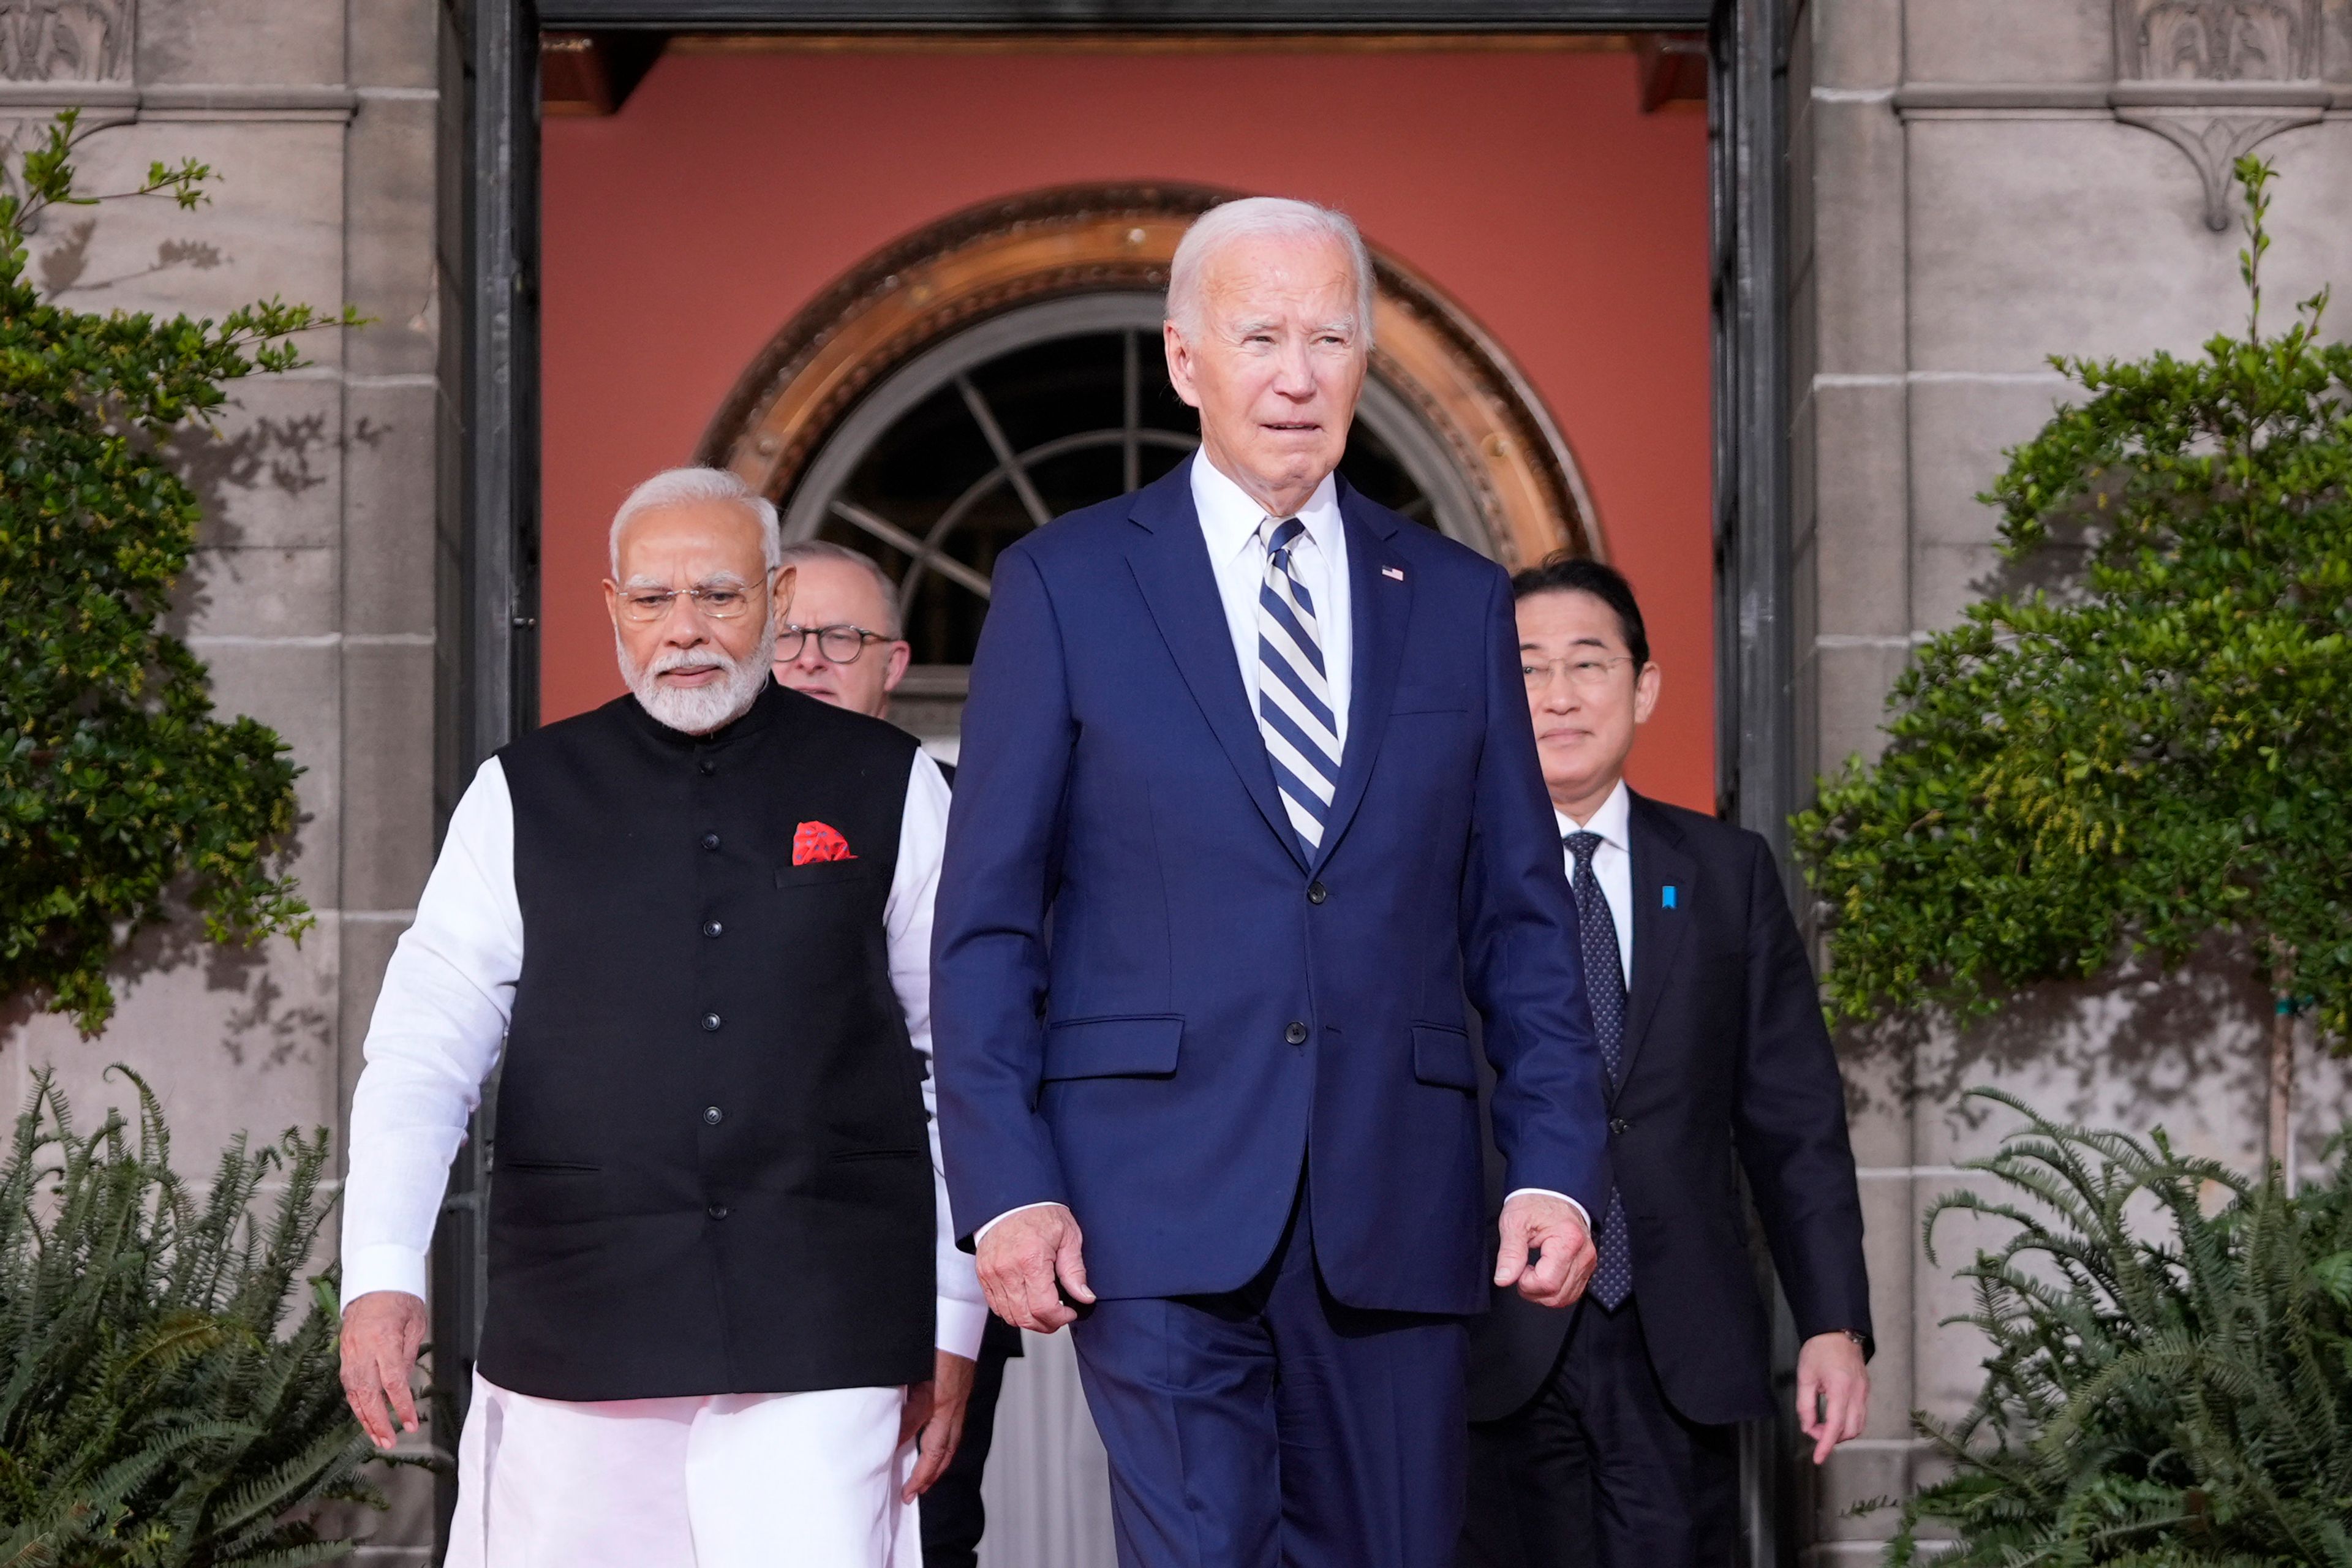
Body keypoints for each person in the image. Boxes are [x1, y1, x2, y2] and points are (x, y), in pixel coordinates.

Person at [932, 196, 1610, 1568]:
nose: (1296, 374)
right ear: (1188, 359)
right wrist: (1005, 1184)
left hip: (1401, 1198)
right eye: (1260, 336)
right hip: (1151, 1196)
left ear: (1367, 358)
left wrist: (1558, 1165)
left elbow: (1525, 922)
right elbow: (990, 920)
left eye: (1330, 336)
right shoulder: (1064, 586)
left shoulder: (1463, 599)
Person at [336, 467, 986, 1568]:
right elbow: (419, 1051)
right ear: (612, 607)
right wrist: (382, 1272)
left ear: (777, 602)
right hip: (575, 1331)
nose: (685, 631)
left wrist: (951, 1313)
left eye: (720, 597)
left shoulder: (892, 783)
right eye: (653, 600)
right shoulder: (520, 793)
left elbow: (962, 1057)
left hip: (827, 1331)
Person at [1459, 557, 1874, 1568]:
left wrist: (1833, 1321)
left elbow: (1793, 1120)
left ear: (1643, 686)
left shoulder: (1727, 876)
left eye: (1588, 664)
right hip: (1489, 1334)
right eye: (1526, 669)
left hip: (1674, 1335)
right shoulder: (1438, 877)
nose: (1558, 696)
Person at [767, 536, 1025, 1568]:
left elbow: (985, 1050)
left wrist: (960, 1304)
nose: (810, 658)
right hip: (742, 1248)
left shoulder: (976, 818)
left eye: (842, 636)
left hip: (939, 1244)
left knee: (931, 1526)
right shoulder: (678, 809)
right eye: (786, 634)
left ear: (896, 663)